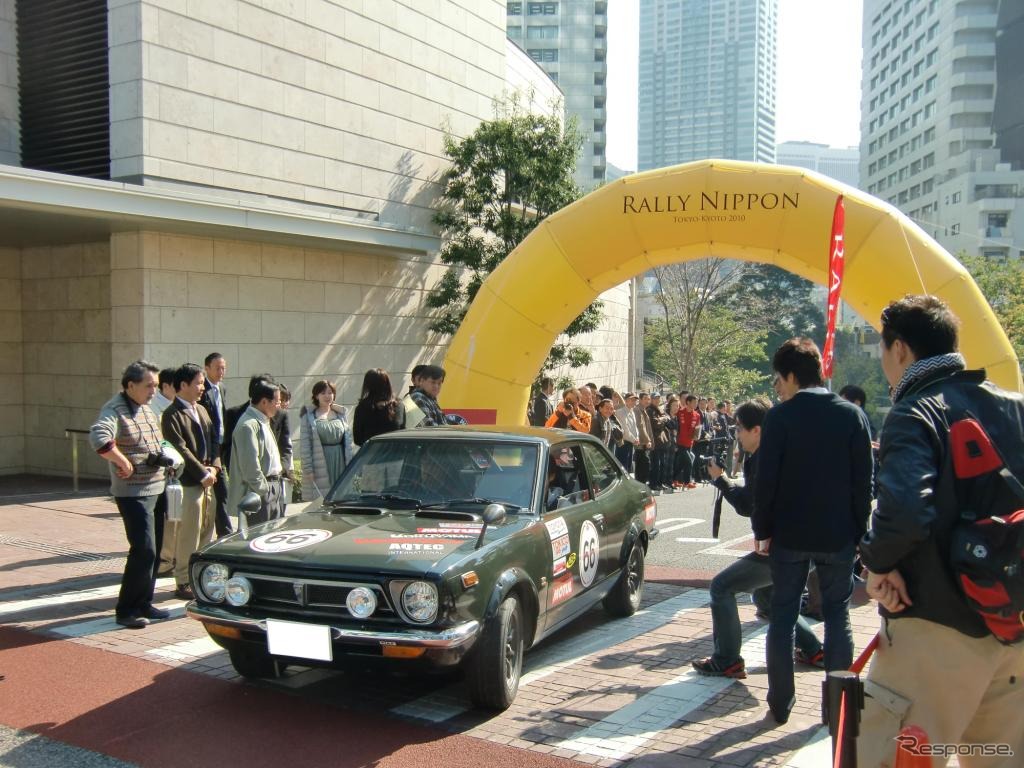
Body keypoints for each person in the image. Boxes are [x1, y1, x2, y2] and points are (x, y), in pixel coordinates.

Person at [857, 295, 1024, 766]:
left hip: (934, 625)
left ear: (902, 351)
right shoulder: (1016, 407)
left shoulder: (915, 412)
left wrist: (878, 564)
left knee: (891, 756)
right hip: (1011, 622)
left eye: (883, 349)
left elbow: (906, 512)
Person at [752, 338, 874, 724]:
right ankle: (836, 708)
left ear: (791, 375)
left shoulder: (781, 417)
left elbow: (765, 482)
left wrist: (762, 529)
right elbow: (864, 483)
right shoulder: (851, 415)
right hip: (838, 534)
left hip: (789, 533)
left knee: (784, 614)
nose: (777, 387)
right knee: (838, 614)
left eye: (778, 379)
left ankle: (780, 703)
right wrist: (859, 531)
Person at [691, 397, 824, 679]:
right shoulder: (784, 451)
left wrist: (721, 480)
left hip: (784, 548)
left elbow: (749, 504)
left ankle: (726, 659)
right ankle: (813, 648)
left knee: (721, 587)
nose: (736, 434)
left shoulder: (766, 458)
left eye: (739, 428)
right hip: (809, 543)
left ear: (758, 430)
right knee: (767, 596)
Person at [89, 360, 170, 629]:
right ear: (130, 385)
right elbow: (99, 437)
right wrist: (122, 461)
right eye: (149, 386)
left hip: (157, 486)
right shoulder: (114, 409)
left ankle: (144, 602)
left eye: (156, 386)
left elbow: (155, 441)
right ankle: (126, 610)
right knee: (143, 549)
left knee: (156, 550)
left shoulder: (146, 408)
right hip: (133, 492)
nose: (153, 392)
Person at [160, 363, 216, 601]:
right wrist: (203, 474)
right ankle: (183, 580)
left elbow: (214, 440)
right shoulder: (171, 415)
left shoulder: (201, 410)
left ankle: (200, 576)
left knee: (206, 530)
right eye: (199, 383)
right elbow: (181, 450)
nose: (202, 388)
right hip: (190, 481)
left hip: (209, 477)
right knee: (188, 534)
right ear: (183, 385)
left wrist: (215, 466)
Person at [228, 379, 284, 526]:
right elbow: (250, 466)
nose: (279, 406)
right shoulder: (248, 425)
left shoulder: (263, 421)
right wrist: (263, 490)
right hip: (261, 491)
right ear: (264, 402)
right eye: (277, 401)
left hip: (273, 486)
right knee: (260, 537)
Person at [299, 380, 355, 500]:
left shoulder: (341, 414)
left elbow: (348, 442)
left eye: (330, 392)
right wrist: (308, 469)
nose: (327, 396)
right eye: (323, 393)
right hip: (320, 463)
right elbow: (305, 445)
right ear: (316, 395)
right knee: (323, 501)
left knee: (341, 499)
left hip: (340, 461)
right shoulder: (309, 416)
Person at [199, 353, 232, 536]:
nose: (221, 372)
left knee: (222, 492)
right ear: (207, 368)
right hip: (208, 449)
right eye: (217, 368)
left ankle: (224, 532)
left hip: (221, 446)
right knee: (218, 491)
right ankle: (223, 532)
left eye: (223, 368)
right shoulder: (202, 390)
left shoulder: (222, 388)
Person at [353, 368, 404, 445]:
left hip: (372, 453)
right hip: (395, 453)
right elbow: (404, 432)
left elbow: (357, 439)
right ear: (387, 383)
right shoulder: (398, 405)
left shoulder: (362, 408)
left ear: (367, 385)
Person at [269, 384, 294, 510]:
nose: (284, 403)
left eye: (286, 400)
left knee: (283, 504)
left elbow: (287, 446)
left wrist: (287, 468)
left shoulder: (283, 417)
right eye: (281, 400)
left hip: (284, 467)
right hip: (272, 470)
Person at [674, 394, 701, 489]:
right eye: (694, 402)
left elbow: (697, 429)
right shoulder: (680, 412)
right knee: (689, 461)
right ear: (688, 402)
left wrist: (697, 436)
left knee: (682, 463)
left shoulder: (697, 415)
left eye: (696, 402)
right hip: (680, 442)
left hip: (690, 443)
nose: (695, 404)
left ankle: (673, 479)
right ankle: (687, 482)